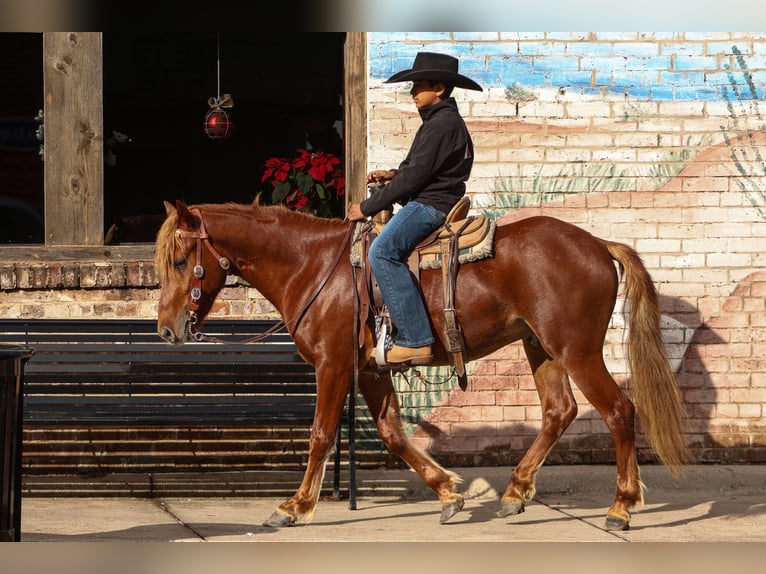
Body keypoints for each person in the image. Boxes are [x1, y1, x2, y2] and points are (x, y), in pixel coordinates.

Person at [347, 52, 482, 366]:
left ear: (439, 89)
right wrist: (393, 175)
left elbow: (415, 179)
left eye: (418, 86)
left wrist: (366, 207)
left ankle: (414, 340)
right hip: (435, 198)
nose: (412, 92)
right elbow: (425, 170)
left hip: (430, 206)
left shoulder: (441, 124)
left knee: (381, 251)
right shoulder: (441, 121)